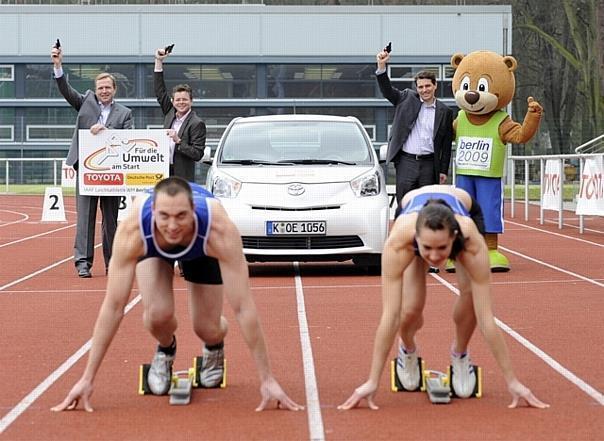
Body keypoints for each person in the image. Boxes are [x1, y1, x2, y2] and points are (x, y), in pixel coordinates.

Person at [51, 177, 303, 412]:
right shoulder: (133, 231)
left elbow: (243, 307)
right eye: (164, 216)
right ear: (153, 212)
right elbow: (114, 306)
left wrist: (267, 379)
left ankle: (214, 345)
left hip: (202, 249)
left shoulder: (219, 230)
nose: (172, 226)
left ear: (193, 210)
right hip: (154, 250)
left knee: (206, 328)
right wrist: (87, 379)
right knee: (157, 315)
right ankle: (165, 351)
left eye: (181, 216)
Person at [338, 184, 549, 410]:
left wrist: (513, 382)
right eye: (427, 248)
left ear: (454, 238)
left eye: (442, 248)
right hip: (412, 208)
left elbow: (486, 318)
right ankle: (407, 349)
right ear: (416, 240)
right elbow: (390, 315)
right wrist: (372, 381)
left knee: (469, 297)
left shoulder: (470, 242)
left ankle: (459, 354)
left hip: (463, 208)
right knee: (411, 309)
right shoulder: (399, 242)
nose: (435, 256)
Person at [52, 44, 133, 278]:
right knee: (85, 218)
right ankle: (83, 263)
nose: (104, 91)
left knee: (110, 220)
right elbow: (66, 90)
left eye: (108, 87)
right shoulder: (85, 101)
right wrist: (58, 66)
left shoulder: (125, 113)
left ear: (114, 90)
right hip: (87, 171)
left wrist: (106, 131)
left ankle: (113, 263)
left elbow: (128, 140)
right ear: (95, 89)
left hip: (112, 174)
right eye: (100, 87)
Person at [376, 47, 455, 212]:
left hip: (429, 164)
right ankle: (404, 236)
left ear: (435, 86)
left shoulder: (445, 111)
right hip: (406, 162)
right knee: (404, 205)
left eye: (427, 86)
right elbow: (387, 90)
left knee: (427, 207)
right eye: (420, 87)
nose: (424, 90)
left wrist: (443, 170)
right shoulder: (405, 98)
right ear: (416, 88)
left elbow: (446, 145)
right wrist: (381, 67)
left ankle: (423, 237)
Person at [154, 47, 205, 181]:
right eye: (178, 100)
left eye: (184, 99)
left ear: (191, 101)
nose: (181, 102)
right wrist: (158, 61)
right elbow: (160, 92)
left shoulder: (196, 123)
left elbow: (198, 154)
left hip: (182, 177)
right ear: (173, 101)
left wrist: (178, 141)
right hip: (164, 172)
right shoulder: (170, 113)